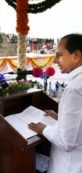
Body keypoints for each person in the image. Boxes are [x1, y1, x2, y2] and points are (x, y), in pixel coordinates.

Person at [29, 33, 82, 173]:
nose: (55, 60)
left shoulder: (75, 88)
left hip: (69, 166)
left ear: (76, 55)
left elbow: (67, 142)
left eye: (59, 55)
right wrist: (60, 118)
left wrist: (43, 129)